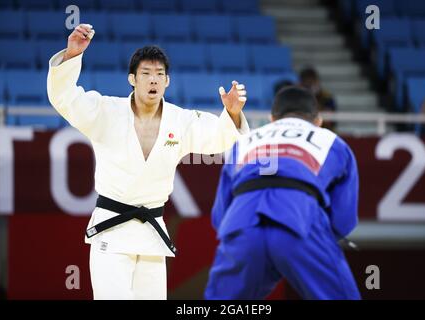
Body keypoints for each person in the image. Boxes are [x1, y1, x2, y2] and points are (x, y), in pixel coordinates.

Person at [47, 24, 249, 299]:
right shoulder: (106, 112)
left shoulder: (181, 120)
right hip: (111, 233)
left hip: (152, 237)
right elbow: (65, 99)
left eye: (159, 75)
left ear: (167, 81)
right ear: (132, 79)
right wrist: (72, 55)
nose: (153, 80)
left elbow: (219, 137)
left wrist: (233, 114)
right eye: (146, 74)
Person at [205, 86, 361, 300]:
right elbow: (343, 220)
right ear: (318, 121)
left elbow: (220, 215)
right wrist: (309, 248)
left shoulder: (243, 143)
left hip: (240, 223)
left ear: (272, 119)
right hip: (299, 218)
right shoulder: (331, 141)